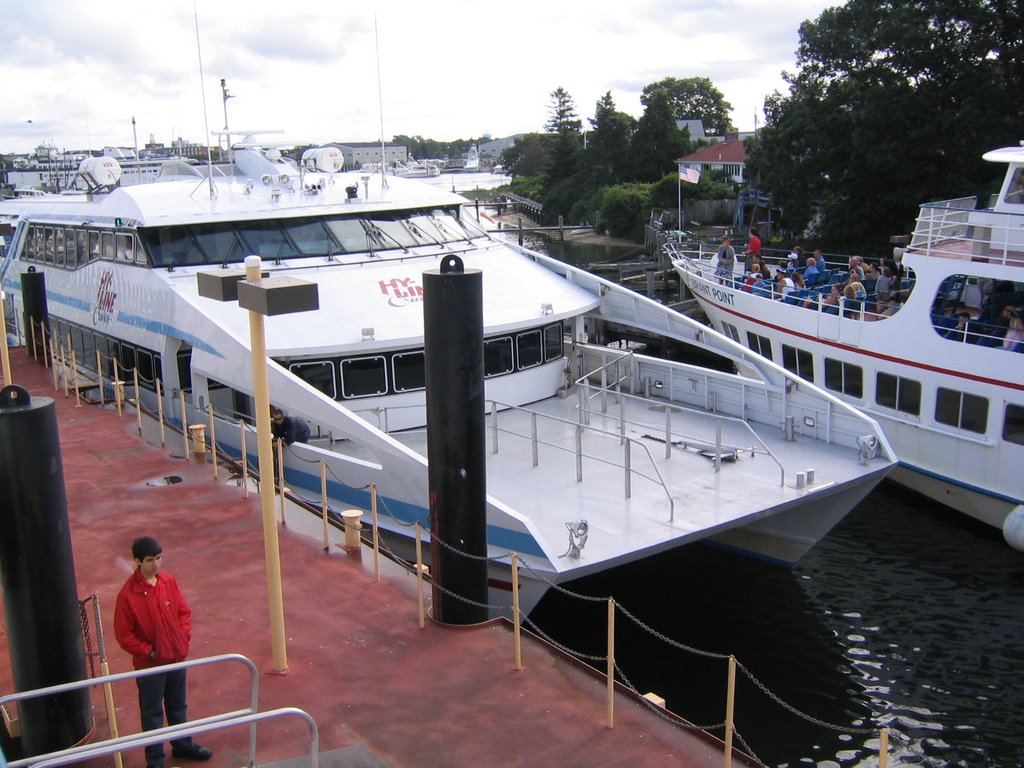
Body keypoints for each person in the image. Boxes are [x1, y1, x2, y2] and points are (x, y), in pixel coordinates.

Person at [114, 537, 212, 768]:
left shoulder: (169, 582)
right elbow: (124, 635)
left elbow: (183, 612)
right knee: (152, 713)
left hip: (175, 658)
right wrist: (149, 653)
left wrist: (182, 638)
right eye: (150, 560)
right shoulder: (127, 596)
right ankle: (155, 760)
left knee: (178, 705)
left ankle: (182, 745)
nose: (156, 564)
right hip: (150, 666)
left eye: (158, 558)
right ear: (137, 561)